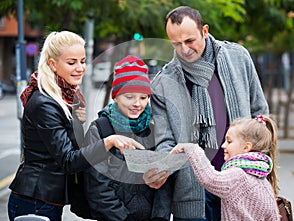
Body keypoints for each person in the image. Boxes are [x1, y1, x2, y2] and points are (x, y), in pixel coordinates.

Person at [143, 5, 269, 221]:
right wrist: (162, 166)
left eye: (190, 41)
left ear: (205, 31)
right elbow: (166, 140)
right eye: (176, 44)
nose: (184, 50)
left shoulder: (238, 57)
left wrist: (261, 171)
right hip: (192, 193)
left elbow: (260, 116)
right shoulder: (164, 83)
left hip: (241, 185)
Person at [7, 31, 144, 221]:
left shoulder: (65, 99)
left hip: (46, 201)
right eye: (72, 62)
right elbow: (68, 160)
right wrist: (108, 142)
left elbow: (73, 147)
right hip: (35, 201)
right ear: (53, 64)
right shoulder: (45, 103)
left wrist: (75, 121)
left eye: (83, 61)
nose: (80, 68)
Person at [82, 55, 172, 221]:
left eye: (143, 97)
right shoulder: (100, 129)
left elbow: (164, 183)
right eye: (129, 97)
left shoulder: (155, 128)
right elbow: (96, 186)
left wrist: (160, 216)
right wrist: (122, 218)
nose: (137, 103)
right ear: (115, 97)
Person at [171, 115, 280, 221]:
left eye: (229, 141)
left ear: (246, 147)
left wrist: (192, 148)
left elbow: (210, 178)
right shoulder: (263, 182)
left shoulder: (239, 176)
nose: (223, 145)